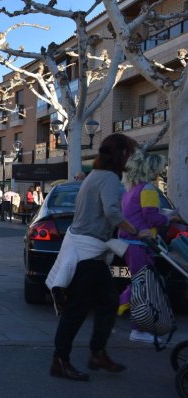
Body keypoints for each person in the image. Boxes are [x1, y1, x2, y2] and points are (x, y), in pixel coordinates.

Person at [48, 134, 138, 381]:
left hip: (87, 251)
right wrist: (134, 230)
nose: (128, 158)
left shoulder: (93, 177)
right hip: (89, 253)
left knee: (105, 302)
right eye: (127, 153)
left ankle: (95, 352)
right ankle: (62, 360)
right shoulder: (109, 178)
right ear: (119, 155)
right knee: (80, 309)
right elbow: (111, 211)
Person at [118, 151, 181, 342]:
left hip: (131, 244)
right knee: (142, 286)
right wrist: (170, 216)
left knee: (142, 284)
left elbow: (138, 215)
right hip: (141, 245)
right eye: (159, 168)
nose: (160, 172)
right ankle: (136, 326)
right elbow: (152, 217)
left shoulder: (130, 191)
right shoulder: (148, 190)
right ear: (151, 169)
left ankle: (137, 325)